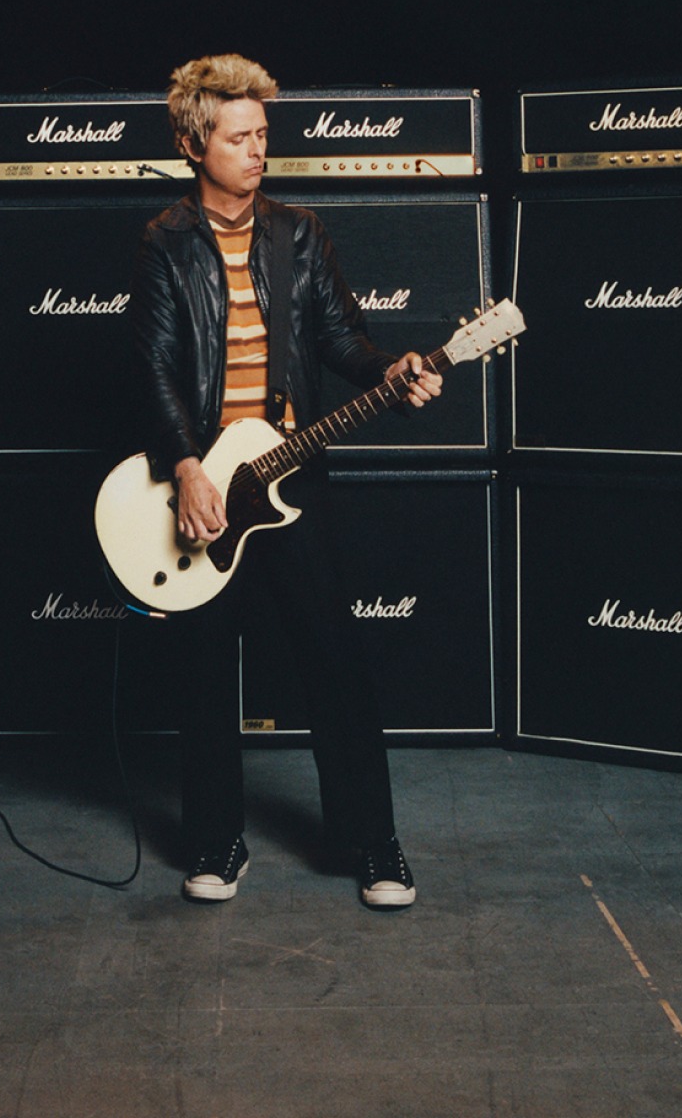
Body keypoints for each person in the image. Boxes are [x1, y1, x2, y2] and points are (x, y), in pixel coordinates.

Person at [129, 53, 442, 909]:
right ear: (196, 144)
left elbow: (345, 343)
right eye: (240, 136)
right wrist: (187, 467)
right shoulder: (164, 242)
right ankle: (215, 842)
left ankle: (374, 847)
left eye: (264, 134)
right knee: (204, 672)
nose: (258, 150)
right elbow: (153, 367)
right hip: (199, 489)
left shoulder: (298, 233)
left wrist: (397, 369)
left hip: (290, 480)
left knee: (337, 664)